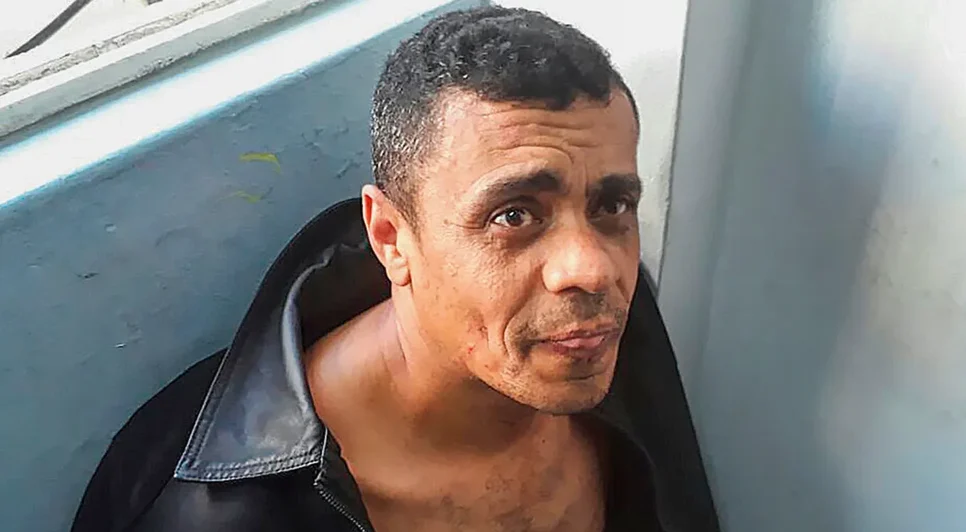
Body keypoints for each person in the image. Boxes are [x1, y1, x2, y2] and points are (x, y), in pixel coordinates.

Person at [71, 6, 719, 532]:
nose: (590, 269)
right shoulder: (214, 511)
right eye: (515, 215)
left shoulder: (594, 328)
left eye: (611, 206)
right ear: (390, 236)